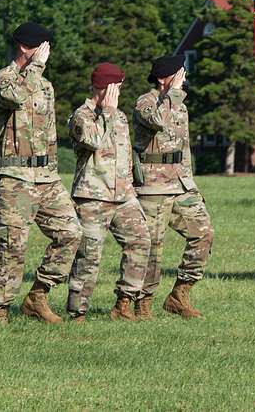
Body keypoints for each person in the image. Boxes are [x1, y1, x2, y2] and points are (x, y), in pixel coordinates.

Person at [0, 22, 82, 325]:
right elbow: (14, 96)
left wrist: (54, 169)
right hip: (15, 178)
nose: (46, 53)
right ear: (27, 48)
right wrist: (36, 66)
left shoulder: (45, 84)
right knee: (13, 246)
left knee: (71, 233)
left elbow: (49, 133)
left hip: (46, 176)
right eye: (42, 47)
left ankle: (38, 295)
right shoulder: (2, 80)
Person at [65, 62, 151, 322]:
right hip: (92, 197)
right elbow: (93, 140)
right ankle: (77, 312)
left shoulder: (120, 116)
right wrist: (108, 113)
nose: (121, 92)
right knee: (89, 254)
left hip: (123, 197)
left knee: (140, 241)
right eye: (118, 87)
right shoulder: (81, 116)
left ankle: (124, 303)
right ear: (107, 88)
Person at [132, 55, 213, 319]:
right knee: (153, 247)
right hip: (153, 187)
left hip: (180, 184)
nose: (184, 79)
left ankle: (180, 294)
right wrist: (174, 94)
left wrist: (191, 185)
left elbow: (183, 149)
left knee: (203, 233)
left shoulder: (180, 106)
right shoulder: (145, 102)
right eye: (179, 75)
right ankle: (142, 303)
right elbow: (158, 121)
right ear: (162, 78)